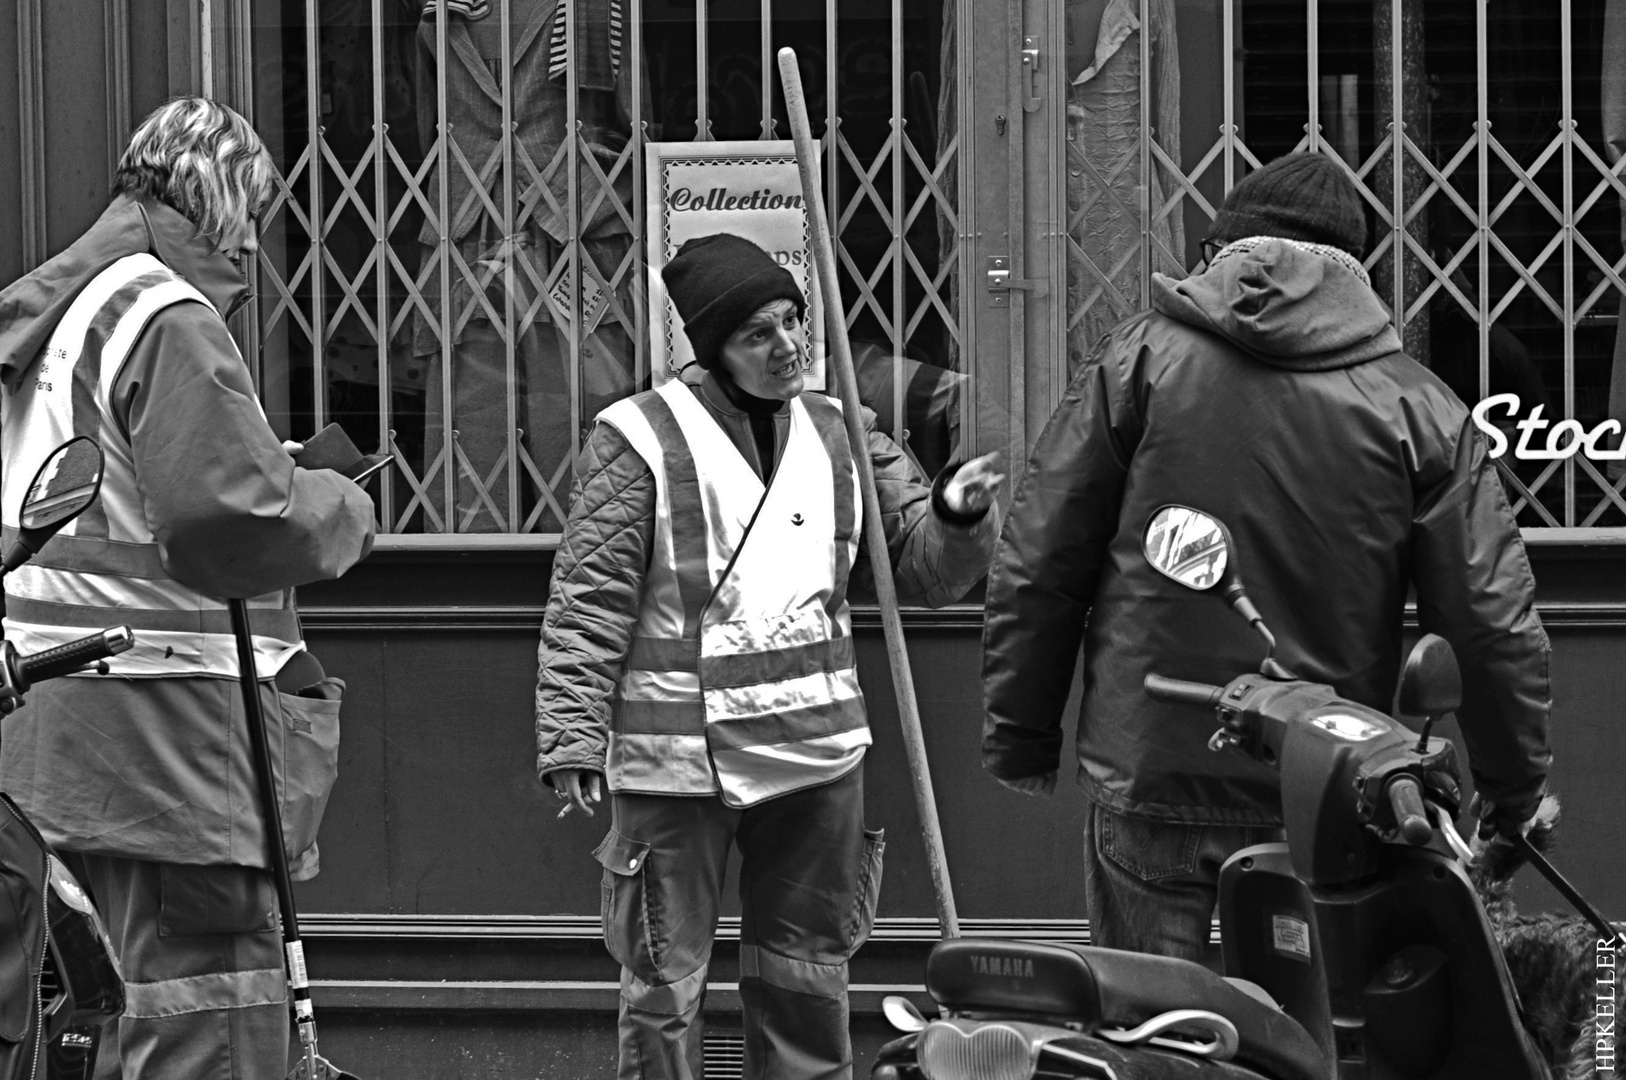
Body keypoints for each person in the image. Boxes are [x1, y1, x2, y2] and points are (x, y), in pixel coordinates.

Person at [980, 152, 1551, 967]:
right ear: (1357, 273)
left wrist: (1021, 734)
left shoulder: (1138, 363)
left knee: (1152, 1037)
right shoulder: (1417, 405)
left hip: (1155, 768)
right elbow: (1491, 619)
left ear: (1220, 254)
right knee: (1313, 1037)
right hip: (1328, 782)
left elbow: (1041, 558)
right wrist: (1513, 788)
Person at [535, 232, 1002, 1080]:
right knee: (664, 981)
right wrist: (571, 731)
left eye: (793, 321)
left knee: (805, 973)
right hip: (678, 760)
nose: (788, 346)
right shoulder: (639, 439)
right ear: (715, 350)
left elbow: (921, 570)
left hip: (815, 753)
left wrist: (960, 514)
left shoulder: (845, 432)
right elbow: (588, 597)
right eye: (758, 333)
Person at [0, 98, 376, 1078]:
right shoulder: (162, 312)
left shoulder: (61, 319)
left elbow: (117, 505)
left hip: (59, 747)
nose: (254, 249)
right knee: (203, 1022)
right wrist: (332, 504)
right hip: (168, 750)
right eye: (253, 214)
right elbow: (224, 523)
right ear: (219, 198)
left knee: (104, 1020)